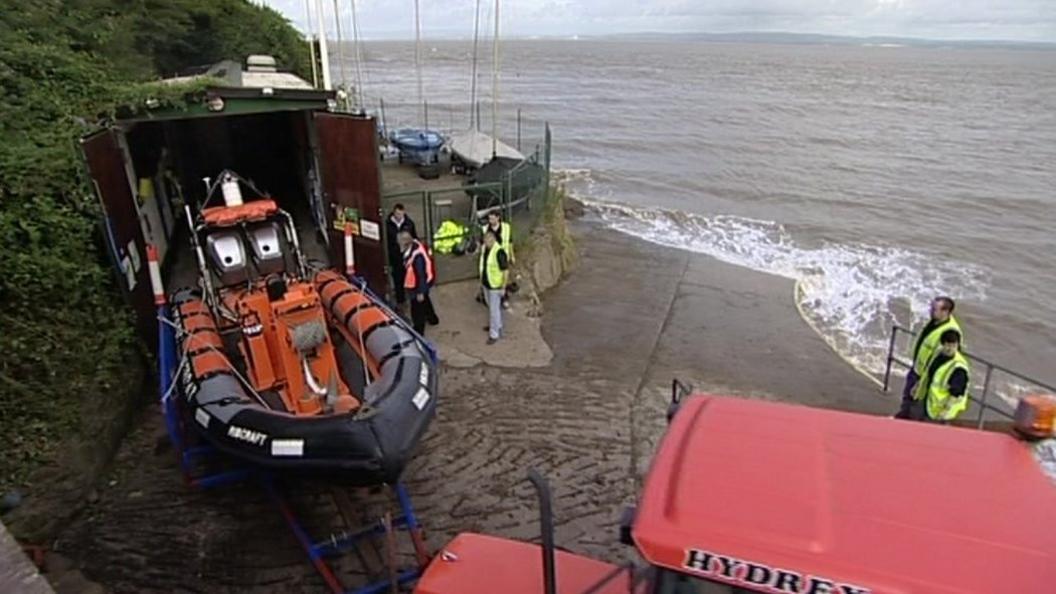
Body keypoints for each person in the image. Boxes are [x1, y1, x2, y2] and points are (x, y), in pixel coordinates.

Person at [894, 296, 964, 419]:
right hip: (918, 368)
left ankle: (905, 424)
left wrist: (924, 379)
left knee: (916, 404)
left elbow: (948, 356)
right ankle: (902, 417)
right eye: (931, 308)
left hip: (926, 374)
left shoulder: (949, 331)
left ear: (945, 312)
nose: (930, 311)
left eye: (934, 309)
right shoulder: (935, 322)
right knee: (908, 398)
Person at [912, 330, 970, 423]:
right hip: (928, 400)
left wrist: (944, 411)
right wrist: (917, 386)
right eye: (948, 345)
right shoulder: (937, 353)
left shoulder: (959, 366)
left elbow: (956, 392)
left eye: (953, 346)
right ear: (943, 344)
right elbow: (927, 372)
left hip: (942, 409)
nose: (950, 349)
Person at [398, 230, 438, 336]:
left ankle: (419, 330)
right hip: (419, 283)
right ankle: (432, 318)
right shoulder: (415, 247)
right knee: (425, 300)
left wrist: (420, 292)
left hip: (417, 286)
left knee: (417, 308)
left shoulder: (417, 257)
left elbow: (420, 276)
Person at [479, 229, 509, 345]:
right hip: (487, 283)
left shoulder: (499, 252)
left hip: (495, 286)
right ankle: (497, 325)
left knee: (493, 310)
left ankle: (494, 334)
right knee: (491, 307)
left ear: (493, 240)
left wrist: (503, 287)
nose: (486, 243)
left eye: (488, 240)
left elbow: (505, 271)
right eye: (485, 240)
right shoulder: (485, 249)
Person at [386, 204, 418, 306]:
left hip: (407, 255)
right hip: (395, 257)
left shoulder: (409, 223)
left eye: (400, 214)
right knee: (398, 278)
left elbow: (414, 237)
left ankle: (412, 297)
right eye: (397, 214)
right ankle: (401, 300)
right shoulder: (387, 225)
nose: (398, 216)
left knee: (410, 277)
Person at [481, 211, 513, 309]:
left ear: (498, 218)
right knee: (491, 279)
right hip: (490, 259)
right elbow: (482, 243)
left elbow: (510, 242)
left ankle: (504, 298)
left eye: (493, 218)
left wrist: (512, 255)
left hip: (502, 256)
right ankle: (492, 299)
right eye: (489, 219)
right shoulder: (485, 229)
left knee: (504, 278)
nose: (490, 221)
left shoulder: (506, 228)